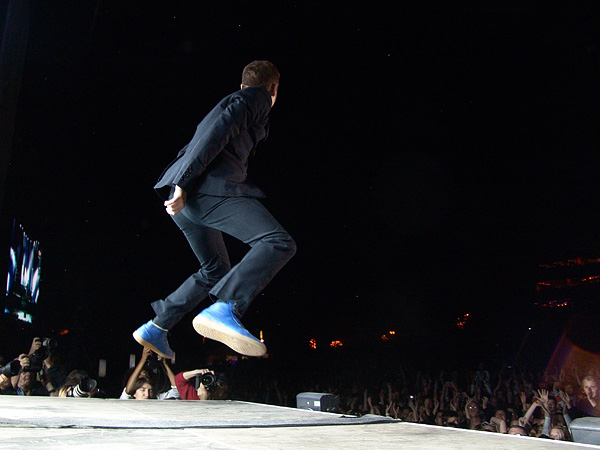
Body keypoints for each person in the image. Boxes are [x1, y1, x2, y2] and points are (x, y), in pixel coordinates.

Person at [133, 60, 296, 358]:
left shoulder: (236, 98)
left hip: (184, 200)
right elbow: (217, 133)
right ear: (273, 88)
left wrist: (180, 185)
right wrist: (185, 183)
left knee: (215, 268)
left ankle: (158, 326)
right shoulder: (257, 97)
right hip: (203, 190)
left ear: (242, 85)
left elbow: (207, 134)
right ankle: (225, 307)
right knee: (278, 242)